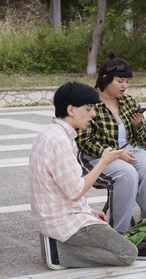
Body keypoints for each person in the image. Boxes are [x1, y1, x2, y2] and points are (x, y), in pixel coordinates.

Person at [29, 82, 138, 268]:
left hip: (60, 216)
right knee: (127, 253)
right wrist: (103, 162)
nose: (93, 115)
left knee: (115, 239)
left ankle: (59, 247)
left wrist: (88, 211)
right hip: (64, 221)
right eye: (88, 109)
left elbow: (63, 187)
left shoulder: (53, 134)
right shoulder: (59, 141)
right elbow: (75, 191)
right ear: (71, 109)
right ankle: (59, 253)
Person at [76, 52, 146, 233]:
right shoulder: (89, 102)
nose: (125, 86)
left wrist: (138, 124)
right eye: (120, 81)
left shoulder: (129, 101)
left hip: (130, 151)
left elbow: (143, 139)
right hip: (97, 156)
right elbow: (85, 142)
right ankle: (119, 234)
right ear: (105, 78)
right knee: (127, 174)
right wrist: (116, 154)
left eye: (127, 81)